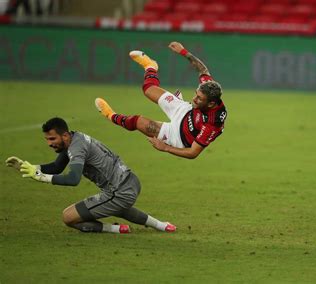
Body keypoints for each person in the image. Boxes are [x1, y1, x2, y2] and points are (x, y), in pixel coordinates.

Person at [5, 117, 176, 234]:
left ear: (64, 135)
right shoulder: (75, 137)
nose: (49, 143)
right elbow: (57, 167)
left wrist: (40, 177)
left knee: (68, 217)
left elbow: (73, 179)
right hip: (130, 181)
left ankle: (112, 229)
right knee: (119, 208)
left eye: (52, 139)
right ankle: (162, 226)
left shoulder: (77, 148)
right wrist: (29, 167)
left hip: (119, 191)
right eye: (47, 140)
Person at [94, 41, 227, 159]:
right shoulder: (209, 89)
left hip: (177, 136)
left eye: (199, 98)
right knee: (148, 89)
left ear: (211, 103)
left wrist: (165, 148)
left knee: (137, 121)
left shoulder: (213, 123)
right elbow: (203, 69)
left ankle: (110, 115)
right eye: (196, 94)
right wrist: (183, 51)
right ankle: (150, 66)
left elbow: (193, 153)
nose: (194, 99)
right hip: (185, 111)